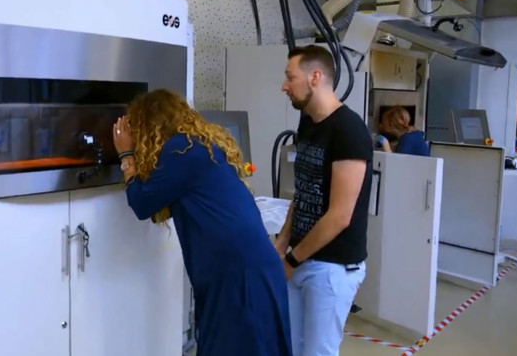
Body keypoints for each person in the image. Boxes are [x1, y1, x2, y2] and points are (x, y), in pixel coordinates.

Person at [112, 89, 293, 356]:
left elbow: (142, 203)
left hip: (238, 277)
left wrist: (126, 155)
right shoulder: (201, 145)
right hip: (250, 270)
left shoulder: (180, 150)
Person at [273, 45, 373, 356]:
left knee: (317, 352)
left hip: (331, 268)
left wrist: (291, 261)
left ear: (315, 77)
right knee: (290, 347)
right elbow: (302, 190)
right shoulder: (307, 122)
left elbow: (339, 216)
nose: (284, 85)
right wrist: (282, 241)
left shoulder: (349, 131)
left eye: (291, 77)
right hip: (301, 257)